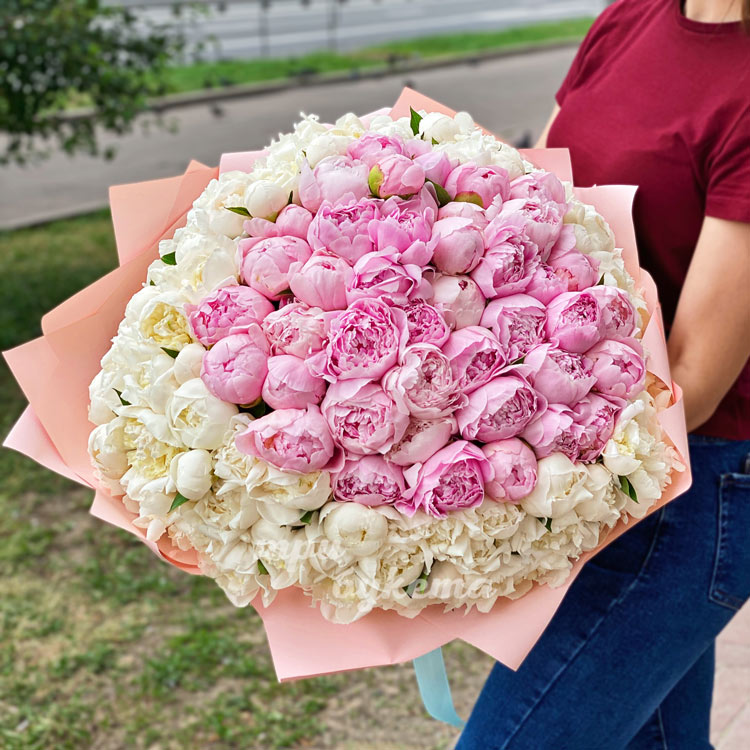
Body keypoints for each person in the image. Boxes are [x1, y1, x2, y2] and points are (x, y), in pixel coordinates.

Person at [456, 0, 750, 748]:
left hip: (687, 482)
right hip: (593, 455)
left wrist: (498, 434)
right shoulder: (633, 16)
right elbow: (530, 199)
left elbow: (693, 379)